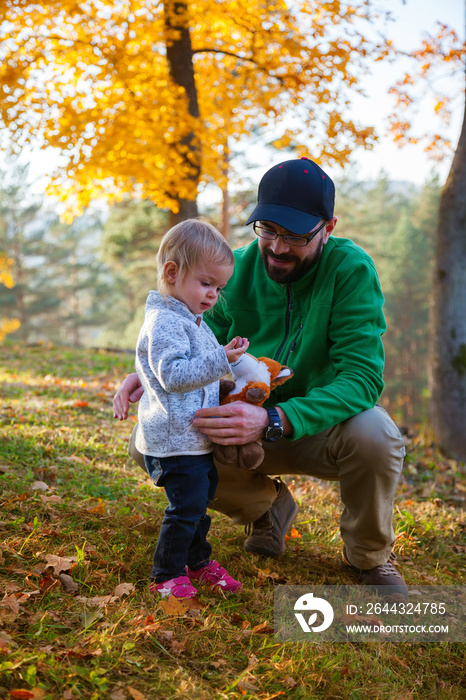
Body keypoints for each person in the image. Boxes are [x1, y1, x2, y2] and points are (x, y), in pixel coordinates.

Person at [114, 158, 408, 601]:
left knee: (377, 434)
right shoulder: (233, 270)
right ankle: (266, 509)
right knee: (149, 439)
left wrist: (276, 418)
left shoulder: (350, 271)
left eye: (295, 236)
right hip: (239, 426)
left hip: (314, 425)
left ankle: (368, 556)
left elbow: (362, 377)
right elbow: (198, 339)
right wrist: (147, 372)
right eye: (268, 229)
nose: (278, 247)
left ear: (328, 227)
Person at [134, 219, 248, 599]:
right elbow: (172, 375)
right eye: (206, 283)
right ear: (172, 272)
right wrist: (220, 359)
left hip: (193, 438)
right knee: (185, 510)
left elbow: (202, 374)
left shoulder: (195, 322)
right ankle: (166, 575)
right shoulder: (164, 321)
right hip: (173, 441)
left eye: (219, 287)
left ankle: (197, 563)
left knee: (199, 506)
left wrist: (225, 366)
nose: (214, 294)